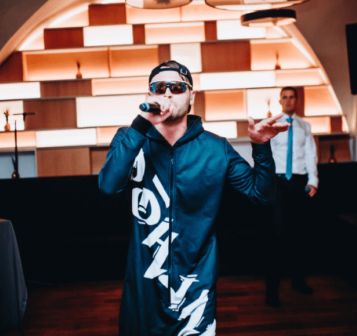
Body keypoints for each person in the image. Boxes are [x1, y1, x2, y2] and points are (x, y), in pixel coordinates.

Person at [99, 60, 289, 336]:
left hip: (195, 288)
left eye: (177, 87)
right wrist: (141, 126)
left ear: (191, 96)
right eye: (159, 87)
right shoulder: (130, 138)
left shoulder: (216, 148)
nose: (167, 93)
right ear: (149, 95)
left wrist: (260, 147)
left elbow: (262, 195)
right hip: (143, 286)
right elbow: (108, 185)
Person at [265, 86, 318, 308]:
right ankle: (271, 289)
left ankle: (298, 281)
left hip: (298, 182)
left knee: (299, 233)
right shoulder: (272, 125)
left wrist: (313, 181)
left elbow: (310, 154)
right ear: (280, 101)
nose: (288, 100)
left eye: (291, 97)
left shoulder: (305, 126)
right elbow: (265, 154)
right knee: (277, 235)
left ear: (296, 101)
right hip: (278, 183)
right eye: (284, 97)